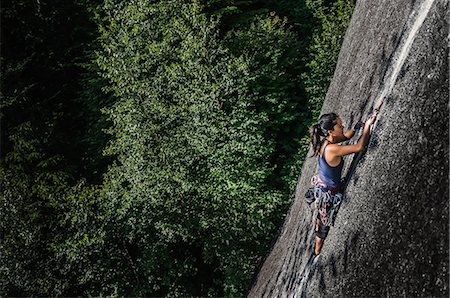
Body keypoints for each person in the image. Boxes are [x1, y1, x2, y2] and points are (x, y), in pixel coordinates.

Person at [309, 112, 377, 256]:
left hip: (323, 185)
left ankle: (316, 239)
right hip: (327, 193)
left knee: (319, 219)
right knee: (323, 228)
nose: (342, 126)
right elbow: (359, 147)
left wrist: (355, 128)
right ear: (330, 131)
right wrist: (368, 127)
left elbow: (346, 136)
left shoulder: (327, 141)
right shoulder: (331, 149)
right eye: (339, 125)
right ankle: (316, 252)